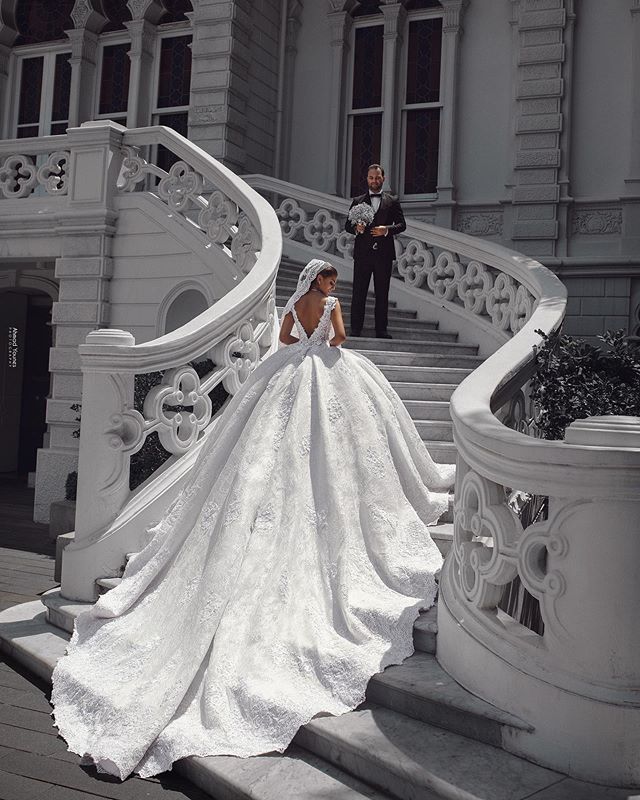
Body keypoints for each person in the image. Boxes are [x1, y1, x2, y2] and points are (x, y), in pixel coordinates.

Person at [51, 259, 454, 781]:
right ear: (323, 282)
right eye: (330, 281)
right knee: (336, 452)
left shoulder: (297, 304)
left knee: (267, 451)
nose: (331, 288)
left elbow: (286, 338)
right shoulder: (331, 307)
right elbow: (340, 343)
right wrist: (324, 344)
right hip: (327, 378)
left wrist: (302, 344)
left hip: (285, 378)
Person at [345, 164, 407, 339]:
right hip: (363, 254)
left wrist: (386, 229)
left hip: (384, 255)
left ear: (383, 179)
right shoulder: (357, 201)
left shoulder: (392, 201)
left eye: (378, 177)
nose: (374, 181)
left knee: (382, 293)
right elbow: (347, 225)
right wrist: (357, 228)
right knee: (359, 292)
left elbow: (402, 225)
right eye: (371, 177)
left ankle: (381, 330)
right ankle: (356, 329)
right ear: (367, 179)